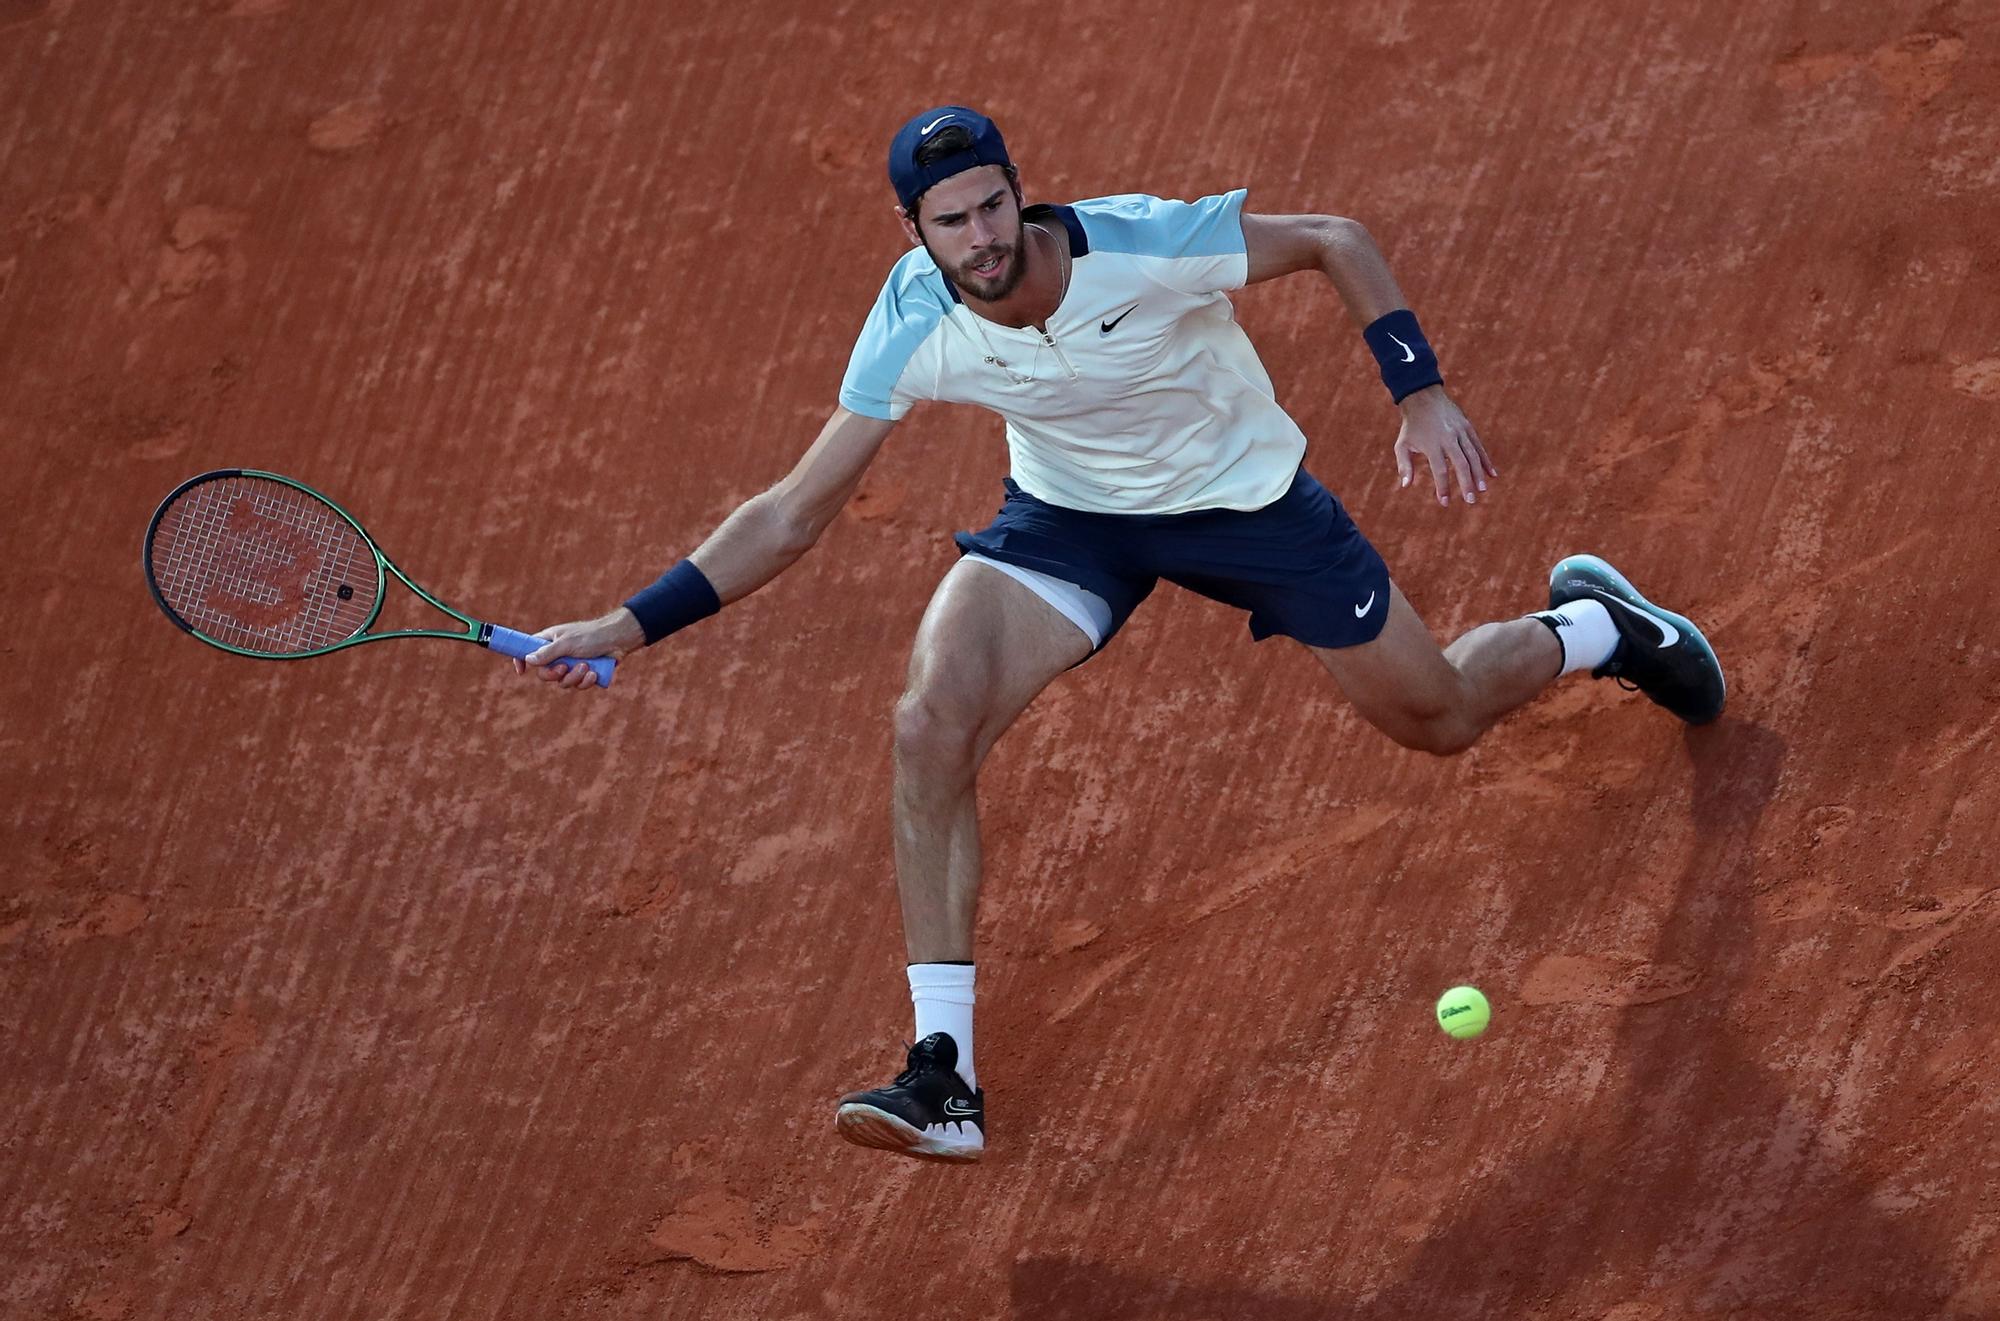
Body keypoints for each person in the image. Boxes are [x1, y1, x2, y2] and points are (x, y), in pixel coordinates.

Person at [515, 106, 1726, 1163]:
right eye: (951, 223)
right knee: (927, 722)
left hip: (1246, 505)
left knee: (1439, 719)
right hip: (1069, 523)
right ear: (915, 233)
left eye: (992, 206)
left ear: (1015, 192)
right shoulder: (912, 322)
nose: (981, 239)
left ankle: (1590, 627)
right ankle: (941, 1073)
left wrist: (1416, 387)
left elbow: (1334, 240)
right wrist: (632, 620)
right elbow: (789, 513)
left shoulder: (1136, 243)